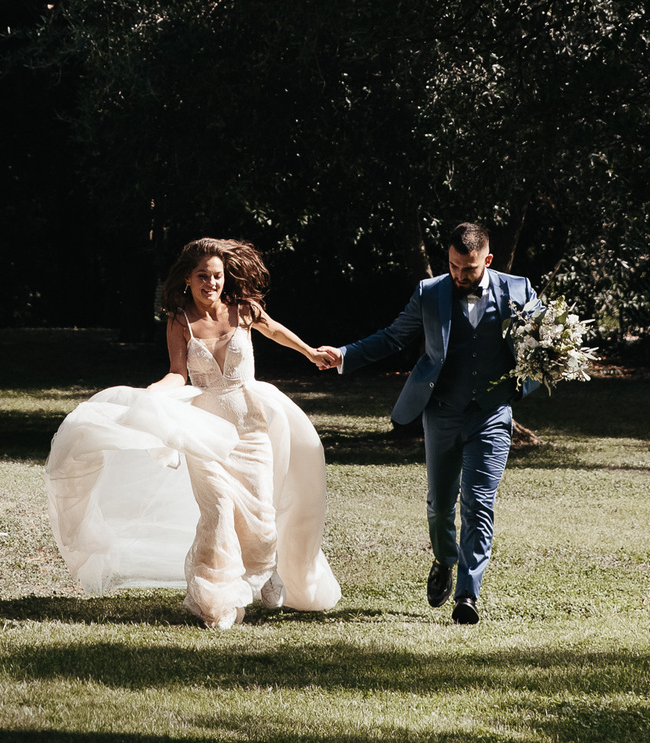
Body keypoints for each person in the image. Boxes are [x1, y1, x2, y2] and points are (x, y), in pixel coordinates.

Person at [45, 238, 343, 627]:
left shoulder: (244, 310)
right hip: (204, 433)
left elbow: (276, 332)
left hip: (251, 433)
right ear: (188, 279)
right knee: (217, 512)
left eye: (217, 276)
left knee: (260, 525)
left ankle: (263, 571)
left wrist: (310, 352)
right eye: (203, 276)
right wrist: (151, 395)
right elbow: (177, 374)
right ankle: (214, 601)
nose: (211, 284)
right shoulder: (179, 321)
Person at [321, 222, 534, 625]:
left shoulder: (518, 290)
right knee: (440, 506)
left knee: (479, 504)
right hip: (442, 412)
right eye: (453, 266)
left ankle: (467, 596)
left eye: (468, 270)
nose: (458, 276)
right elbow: (392, 338)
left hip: (491, 414)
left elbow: (544, 341)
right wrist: (345, 354)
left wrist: (525, 386)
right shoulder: (430, 292)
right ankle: (444, 558)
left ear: (487, 261)